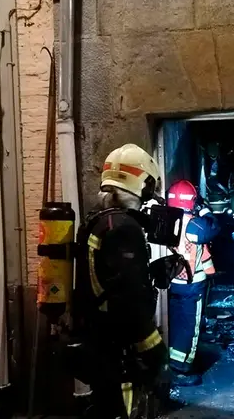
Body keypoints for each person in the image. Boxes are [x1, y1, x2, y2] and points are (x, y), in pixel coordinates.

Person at [73, 143, 171, 418]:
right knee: (123, 409)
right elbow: (129, 300)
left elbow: (106, 280)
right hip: (119, 350)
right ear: (145, 183)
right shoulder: (123, 229)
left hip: (98, 341)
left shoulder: (99, 220)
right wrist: (155, 355)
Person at [166, 180, 222, 386]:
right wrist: (205, 210)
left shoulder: (164, 221)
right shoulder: (194, 224)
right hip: (192, 284)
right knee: (190, 326)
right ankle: (181, 369)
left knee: (174, 321)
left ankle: (171, 361)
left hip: (170, 283)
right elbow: (214, 227)